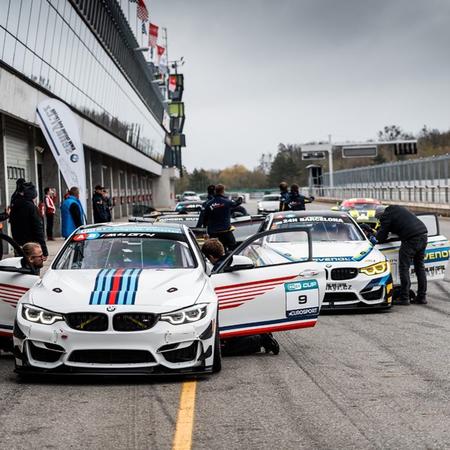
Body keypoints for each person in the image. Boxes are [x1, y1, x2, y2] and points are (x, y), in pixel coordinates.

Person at [201, 239, 280, 355]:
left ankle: (260, 340)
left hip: (231, 309)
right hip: (247, 305)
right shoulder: (233, 259)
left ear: (211, 257)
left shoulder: (219, 270)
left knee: (221, 349)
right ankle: (261, 335)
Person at [375, 205, 428, 305]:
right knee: (420, 267)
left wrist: (375, 237)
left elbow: (382, 236)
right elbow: (402, 224)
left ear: (380, 214)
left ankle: (404, 297)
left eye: (378, 218)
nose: (379, 220)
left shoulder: (386, 215)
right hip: (423, 235)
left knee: (404, 267)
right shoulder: (397, 209)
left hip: (411, 239)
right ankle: (422, 297)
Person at [9, 182, 48, 258]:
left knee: (20, 266)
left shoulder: (15, 205)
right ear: (32, 195)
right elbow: (38, 230)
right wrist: (44, 250)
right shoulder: (31, 207)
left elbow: (12, 224)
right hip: (31, 247)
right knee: (32, 268)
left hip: (18, 245)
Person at [202, 184, 242, 251]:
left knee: (214, 250)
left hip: (213, 233)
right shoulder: (227, 202)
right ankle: (228, 259)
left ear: (215, 191)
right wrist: (240, 198)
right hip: (225, 232)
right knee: (233, 248)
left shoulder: (209, 204)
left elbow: (205, 219)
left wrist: (205, 231)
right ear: (223, 191)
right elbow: (237, 203)